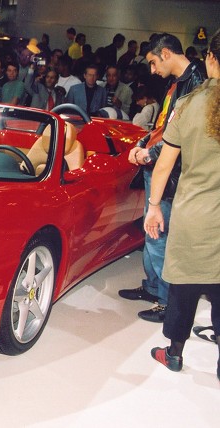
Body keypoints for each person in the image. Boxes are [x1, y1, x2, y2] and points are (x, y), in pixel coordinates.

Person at [144, 28, 220, 379]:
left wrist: (154, 206)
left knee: (184, 289)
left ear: (210, 58)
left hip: (195, 217)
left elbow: (164, 164)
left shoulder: (190, 104)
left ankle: (173, 354)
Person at [120, 33, 206, 322]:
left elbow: (183, 140)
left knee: (158, 237)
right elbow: (164, 126)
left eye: (155, 62)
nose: (153, 70)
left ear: (167, 53)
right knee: (151, 234)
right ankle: (153, 287)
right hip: (157, 167)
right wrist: (144, 144)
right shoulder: (177, 84)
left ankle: (166, 302)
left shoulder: (196, 85)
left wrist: (150, 154)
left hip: (170, 174)